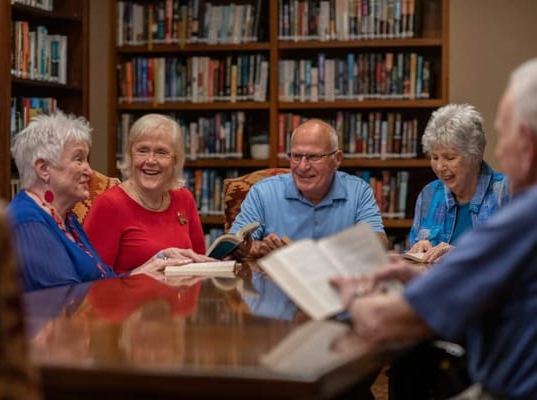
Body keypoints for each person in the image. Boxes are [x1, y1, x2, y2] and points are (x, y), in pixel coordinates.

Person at [331, 57, 537, 399]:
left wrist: (351, 300)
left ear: (527, 144)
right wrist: (419, 270)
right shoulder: (431, 196)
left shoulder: (520, 211)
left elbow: (387, 321)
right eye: (434, 157)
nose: (500, 149)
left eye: (504, 136)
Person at [8, 112, 209, 292]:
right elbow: (64, 305)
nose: (89, 170)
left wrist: (152, 265)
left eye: (86, 159)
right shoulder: (29, 222)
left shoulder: (66, 220)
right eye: (79, 159)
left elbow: (104, 280)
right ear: (43, 169)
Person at [229, 118, 387, 258]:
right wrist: (258, 248)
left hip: (338, 286)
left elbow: (379, 244)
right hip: (276, 285)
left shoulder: (358, 191)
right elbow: (233, 243)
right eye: (296, 156)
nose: (303, 167)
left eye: (314, 157)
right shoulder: (263, 192)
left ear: (337, 159)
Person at [84, 113, 206, 274]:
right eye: (142, 150)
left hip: (182, 296)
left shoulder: (184, 198)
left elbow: (199, 261)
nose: (150, 160)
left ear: (175, 160)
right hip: (128, 298)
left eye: (161, 152)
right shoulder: (109, 204)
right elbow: (92, 280)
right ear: (130, 155)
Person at [409, 103, 509, 263]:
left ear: (475, 156)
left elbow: (524, 262)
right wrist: (416, 252)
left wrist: (464, 255)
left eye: (449, 158)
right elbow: (413, 259)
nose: (440, 167)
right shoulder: (429, 194)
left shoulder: (507, 192)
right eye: (434, 157)